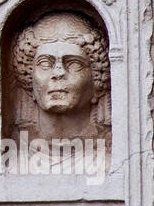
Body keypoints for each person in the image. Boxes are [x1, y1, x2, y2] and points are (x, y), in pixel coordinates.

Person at [11, 10, 110, 146]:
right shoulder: (11, 146)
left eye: (74, 63)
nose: (58, 73)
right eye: (45, 63)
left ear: (97, 79)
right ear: (29, 77)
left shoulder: (112, 147)